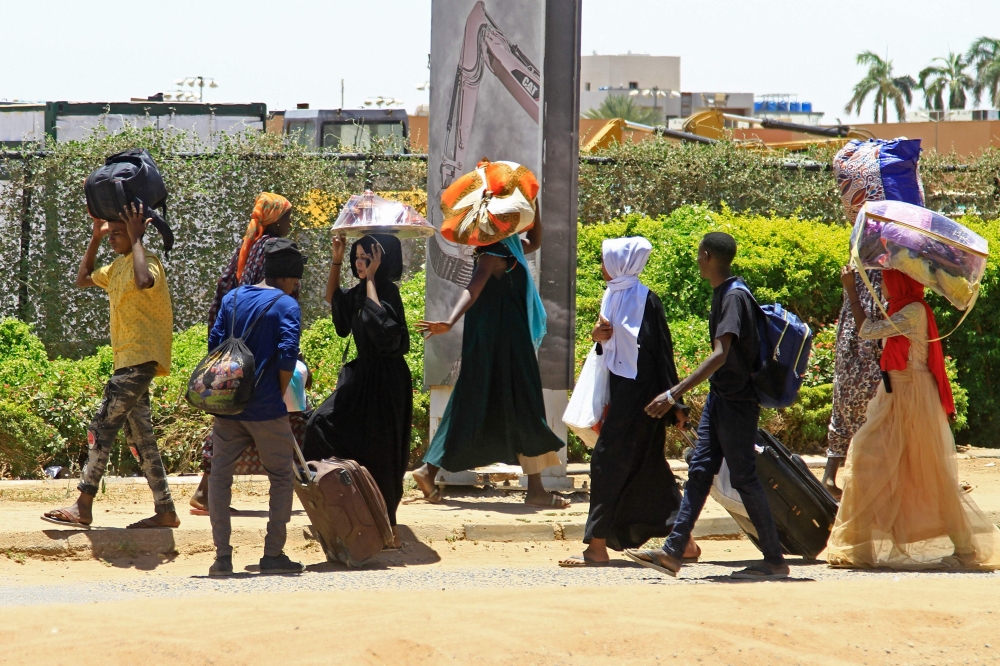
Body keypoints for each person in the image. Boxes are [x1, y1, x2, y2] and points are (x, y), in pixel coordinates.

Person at [624, 232, 789, 580]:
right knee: (699, 471)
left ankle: (774, 559)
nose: (698, 260)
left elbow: (720, 355)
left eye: (699, 256)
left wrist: (673, 393)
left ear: (707, 255)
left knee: (743, 476)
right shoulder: (725, 293)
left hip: (737, 402)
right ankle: (672, 552)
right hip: (722, 399)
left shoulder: (732, 297)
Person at [826, 268, 1000, 570]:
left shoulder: (914, 311)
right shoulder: (900, 308)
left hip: (912, 397)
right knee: (871, 462)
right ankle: (858, 548)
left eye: (890, 280)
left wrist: (851, 291)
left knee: (930, 473)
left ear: (901, 282)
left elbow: (867, 330)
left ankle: (966, 550)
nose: (887, 285)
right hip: (895, 394)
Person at [413, 211, 569, 509]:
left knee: (474, 403)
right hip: (502, 345)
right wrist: (448, 321)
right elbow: (473, 289)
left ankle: (427, 471)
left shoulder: (510, 248)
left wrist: (533, 208)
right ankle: (536, 491)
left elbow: (535, 240)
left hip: (500, 344)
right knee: (524, 404)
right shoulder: (492, 253)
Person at [559, 237, 698, 567]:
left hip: (644, 401)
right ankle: (686, 544)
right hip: (621, 395)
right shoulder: (613, 295)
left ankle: (596, 548)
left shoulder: (646, 301)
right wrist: (597, 338)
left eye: (606, 261)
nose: (603, 268)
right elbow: (607, 350)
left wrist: (674, 404)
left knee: (606, 464)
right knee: (649, 469)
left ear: (622, 264)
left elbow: (662, 354)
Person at [42, 204, 178, 530]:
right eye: (112, 234)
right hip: (126, 361)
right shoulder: (116, 267)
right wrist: (94, 237)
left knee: (101, 427)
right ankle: (166, 510)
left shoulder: (147, 263)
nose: (113, 239)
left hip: (139, 359)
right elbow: (83, 278)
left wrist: (136, 239)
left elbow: (144, 280)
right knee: (142, 438)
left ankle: (83, 505)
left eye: (118, 233)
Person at [304, 233, 413, 548]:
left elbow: (387, 333)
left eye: (369, 257)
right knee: (320, 424)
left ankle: (387, 525)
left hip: (388, 382)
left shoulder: (388, 292)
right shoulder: (357, 291)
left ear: (383, 259)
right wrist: (337, 259)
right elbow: (334, 302)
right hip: (361, 377)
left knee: (383, 452)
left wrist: (374, 281)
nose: (360, 262)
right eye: (358, 257)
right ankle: (337, 504)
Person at [206, 238, 306, 576]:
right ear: (290, 278)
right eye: (296, 281)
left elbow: (214, 344)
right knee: (280, 476)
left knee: (220, 476)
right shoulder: (287, 305)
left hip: (229, 406)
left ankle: (222, 559)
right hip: (265, 408)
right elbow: (287, 354)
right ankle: (272, 555)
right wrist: (275, 394)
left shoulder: (233, 297)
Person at [190, 192, 294, 514]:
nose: (291, 223)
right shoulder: (270, 248)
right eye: (288, 216)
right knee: (261, 414)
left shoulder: (249, 245)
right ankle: (211, 493)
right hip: (258, 344)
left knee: (232, 416)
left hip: (234, 342)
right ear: (276, 220)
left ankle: (209, 492)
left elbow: (228, 289)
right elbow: (268, 295)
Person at [823, 266, 885, 499]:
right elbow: (867, 326)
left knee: (842, 406)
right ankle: (861, 485)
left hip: (849, 346)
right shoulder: (874, 277)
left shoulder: (857, 270)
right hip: (863, 349)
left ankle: (830, 475)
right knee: (865, 413)